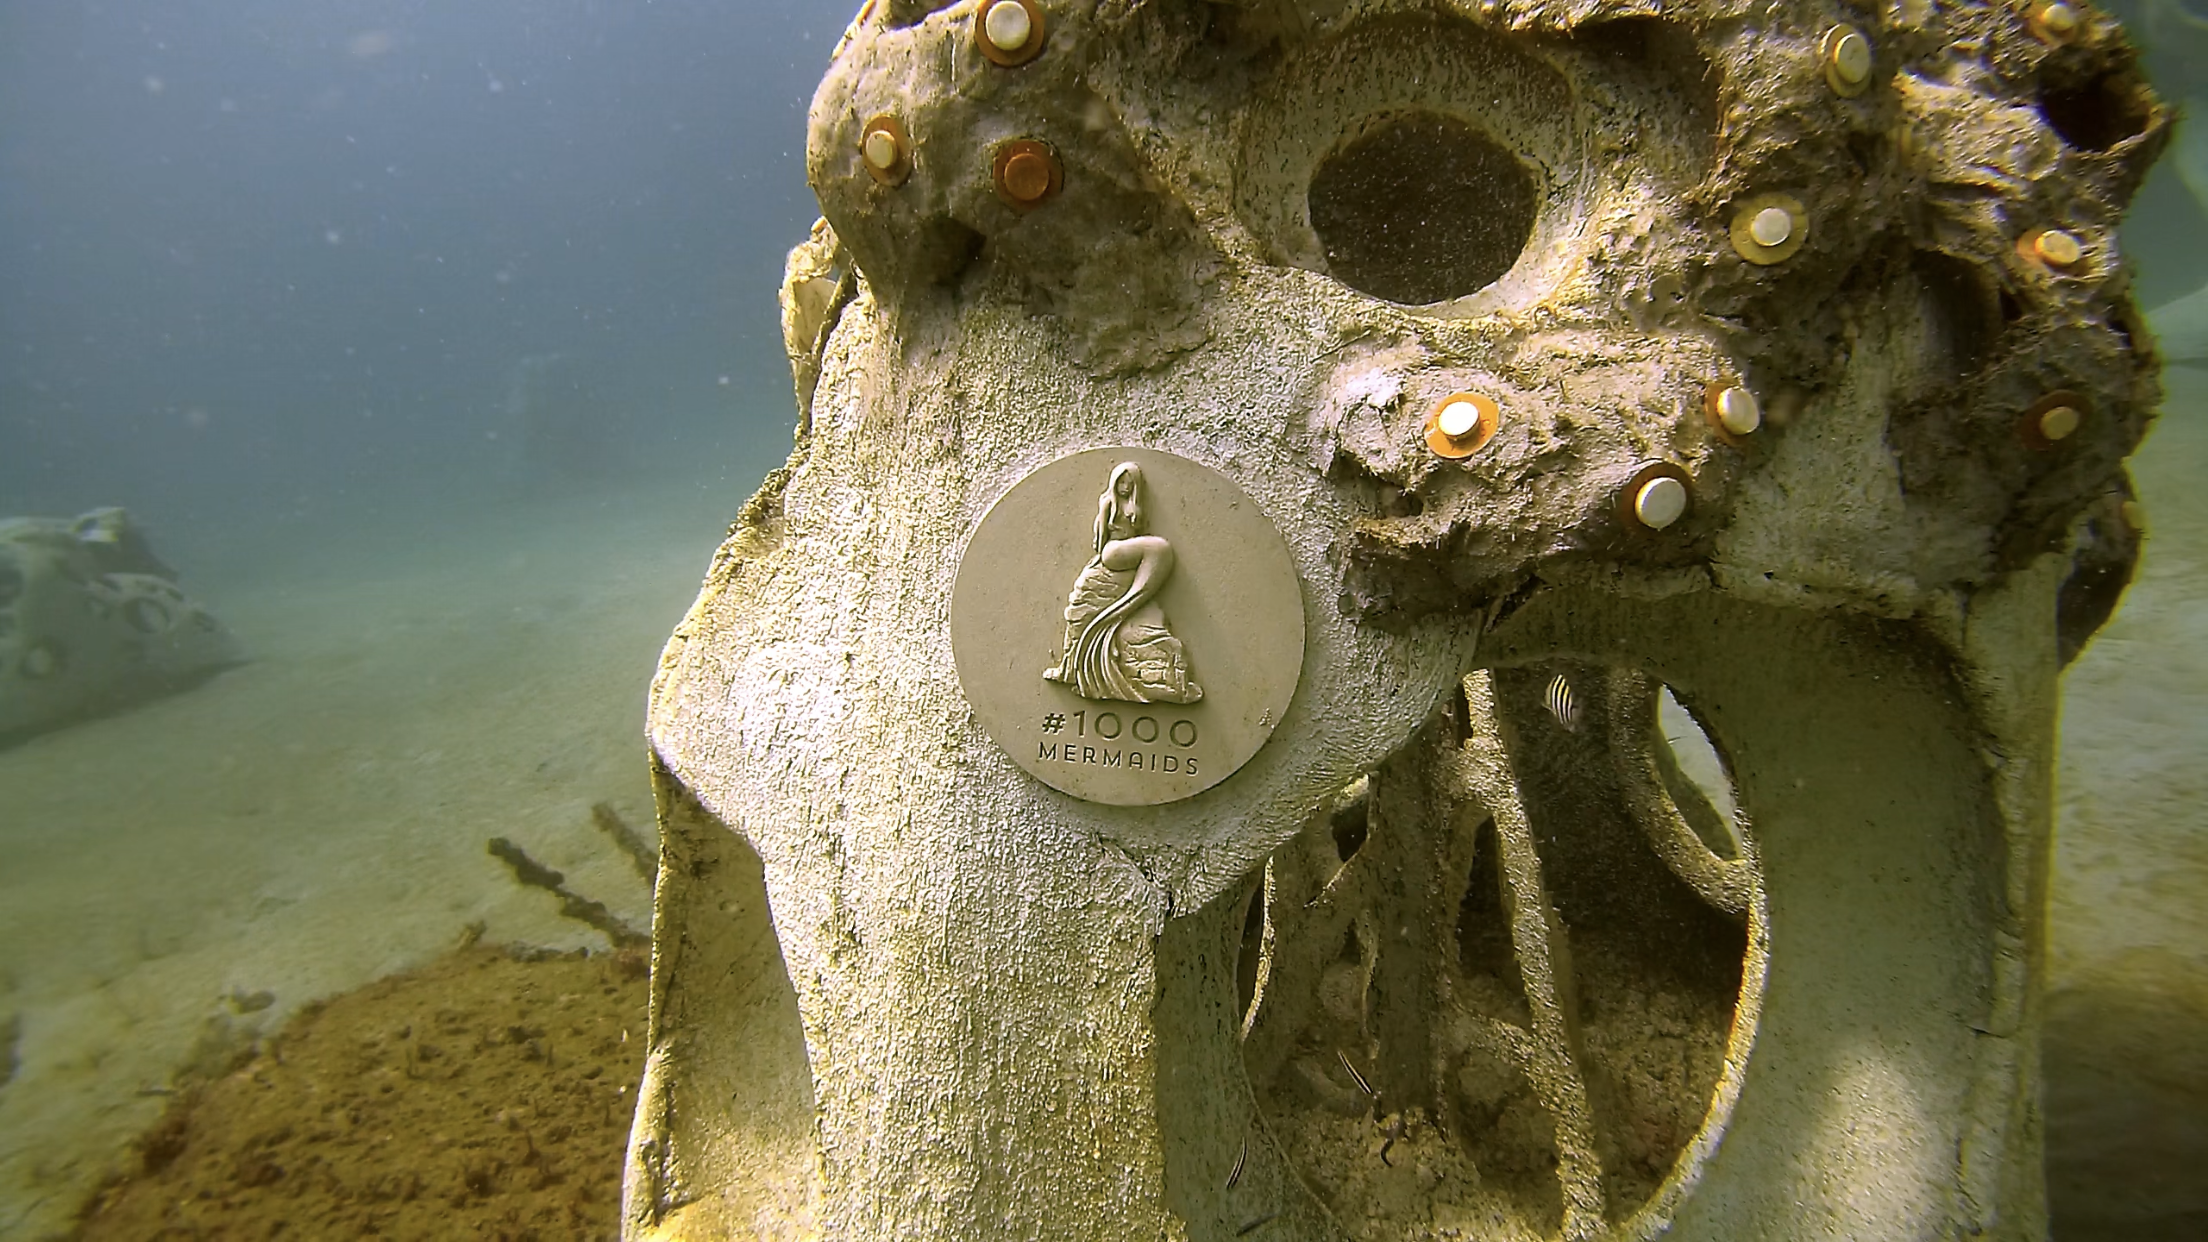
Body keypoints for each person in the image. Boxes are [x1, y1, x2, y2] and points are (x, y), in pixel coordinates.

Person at [1043, 462, 1204, 704]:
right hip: (1112, 552)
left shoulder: (1135, 504)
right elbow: (1099, 538)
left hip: (1129, 557)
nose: (1126, 486)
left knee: (1158, 550)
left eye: (1130, 482)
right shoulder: (1109, 502)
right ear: (1115, 482)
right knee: (1158, 547)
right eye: (1122, 481)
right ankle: (1068, 668)